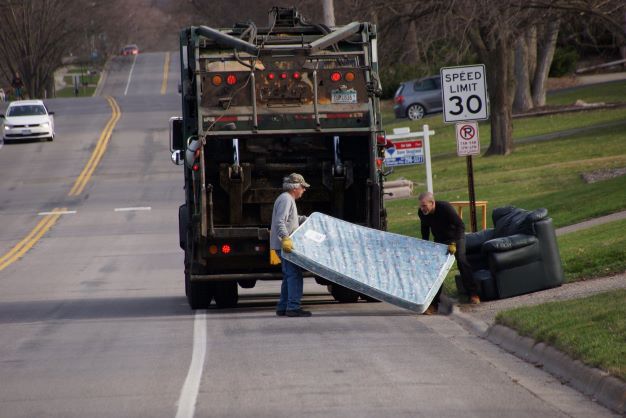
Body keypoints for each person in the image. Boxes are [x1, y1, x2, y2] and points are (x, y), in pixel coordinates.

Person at [418, 192, 480, 315]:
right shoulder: (422, 213)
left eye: (425, 205)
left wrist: (453, 242)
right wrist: (424, 245)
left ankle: (473, 294)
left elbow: (460, 225)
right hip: (440, 240)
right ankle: (433, 305)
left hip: (456, 237)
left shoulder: (445, 208)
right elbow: (425, 229)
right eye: (421, 206)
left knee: (462, 261)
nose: (422, 208)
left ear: (432, 202)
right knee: (437, 271)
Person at [270, 173, 311, 317]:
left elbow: (291, 219)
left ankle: (282, 307)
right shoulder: (287, 199)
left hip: (281, 244)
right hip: (284, 244)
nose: (304, 190)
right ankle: (293, 307)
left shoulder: (287, 199)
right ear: (295, 187)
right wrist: (285, 238)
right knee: (294, 275)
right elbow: (280, 221)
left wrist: (307, 219)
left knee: (289, 275)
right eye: (302, 187)